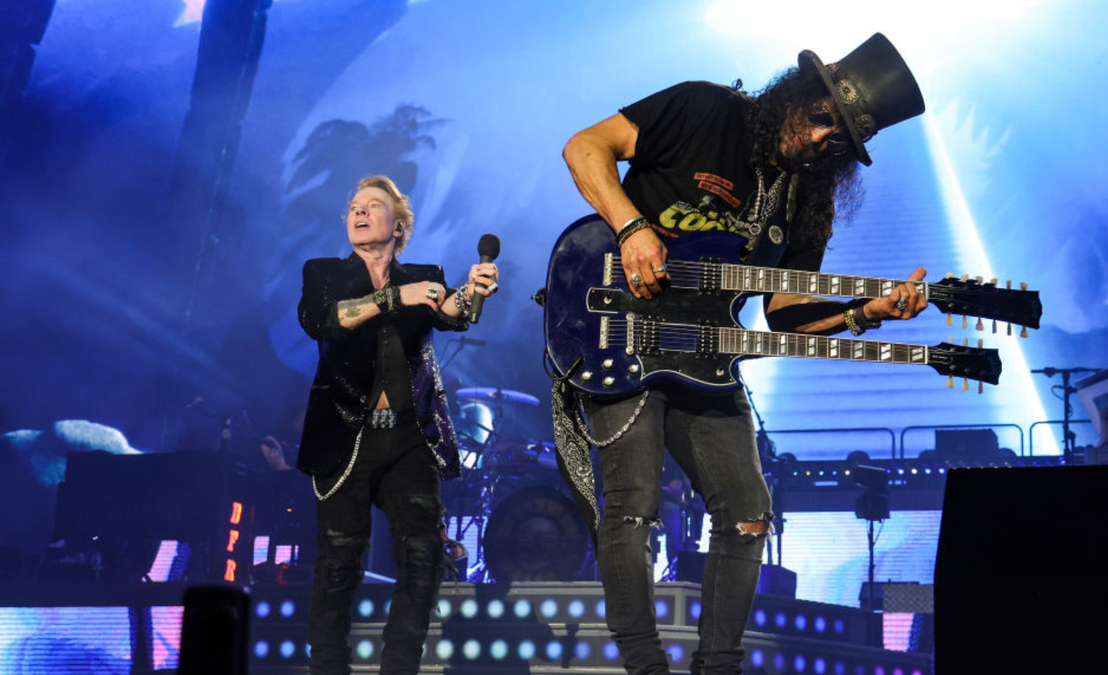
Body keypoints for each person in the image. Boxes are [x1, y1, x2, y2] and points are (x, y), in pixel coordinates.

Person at [557, 34, 928, 675]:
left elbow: (784, 314)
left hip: (706, 356)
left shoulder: (810, 200)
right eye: (820, 118)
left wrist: (864, 314)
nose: (819, 141)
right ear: (799, 92)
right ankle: (645, 665)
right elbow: (584, 147)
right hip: (622, 328)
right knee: (634, 502)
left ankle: (719, 666)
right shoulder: (706, 110)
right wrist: (631, 225)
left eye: (837, 139)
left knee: (750, 513)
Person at [296, 175, 498, 675]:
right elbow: (322, 321)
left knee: (425, 554)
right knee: (340, 561)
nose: (359, 212)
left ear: (399, 225)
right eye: (353, 207)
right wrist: (395, 298)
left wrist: (474, 292)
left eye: (373, 206)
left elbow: (453, 312)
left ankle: (401, 667)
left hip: (410, 436)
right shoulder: (322, 272)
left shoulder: (423, 276)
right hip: (343, 433)